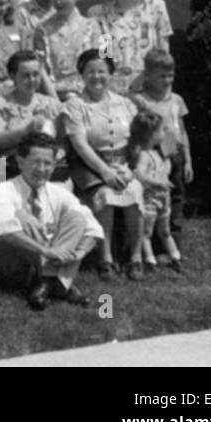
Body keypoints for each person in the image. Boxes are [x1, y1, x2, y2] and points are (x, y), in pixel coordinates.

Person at [0, 131, 102, 310]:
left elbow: (94, 228)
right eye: (35, 162)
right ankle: (63, 283)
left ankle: (47, 283)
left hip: (48, 257)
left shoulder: (58, 192)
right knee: (21, 218)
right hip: (14, 266)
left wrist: (79, 254)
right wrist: (46, 251)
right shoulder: (4, 190)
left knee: (78, 218)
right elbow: (3, 230)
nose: (42, 169)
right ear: (20, 162)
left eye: (47, 163)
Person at [61, 48, 145, 280]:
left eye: (102, 72)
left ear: (111, 74)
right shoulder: (75, 106)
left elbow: (137, 139)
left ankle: (135, 258)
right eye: (90, 72)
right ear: (81, 75)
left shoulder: (126, 103)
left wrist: (130, 168)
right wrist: (105, 171)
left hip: (124, 165)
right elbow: (80, 145)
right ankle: (105, 259)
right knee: (105, 195)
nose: (97, 77)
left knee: (135, 191)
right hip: (90, 166)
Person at [87, 0, 173, 94]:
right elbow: (104, 55)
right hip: (114, 92)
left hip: (149, 90)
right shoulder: (100, 14)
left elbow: (163, 55)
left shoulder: (156, 8)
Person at [131, 48, 193, 237]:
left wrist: (188, 160)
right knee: (156, 191)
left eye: (170, 76)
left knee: (177, 190)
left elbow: (182, 130)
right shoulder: (142, 101)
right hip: (155, 152)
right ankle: (154, 231)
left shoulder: (176, 100)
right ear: (147, 76)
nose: (167, 81)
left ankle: (173, 228)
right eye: (162, 76)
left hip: (175, 149)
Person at [0, 50, 61, 178]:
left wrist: (58, 154)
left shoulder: (51, 104)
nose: (32, 80)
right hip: (12, 168)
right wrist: (26, 130)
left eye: (36, 75)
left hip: (48, 167)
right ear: (13, 76)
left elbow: (65, 140)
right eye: (26, 76)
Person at [129, 111, 183, 273]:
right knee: (146, 232)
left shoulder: (159, 154)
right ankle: (149, 260)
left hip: (163, 200)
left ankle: (175, 257)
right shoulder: (144, 155)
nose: (165, 134)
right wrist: (157, 182)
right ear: (152, 135)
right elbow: (138, 174)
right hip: (150, 200)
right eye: (162, 131)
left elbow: (165, 168)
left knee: (165, 230)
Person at [34, 0, 94, 100]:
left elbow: (108, 61)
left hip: (89, 97)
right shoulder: (41, 30)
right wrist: (55, 103)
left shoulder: (96, 26)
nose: (58, 2)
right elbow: (41, 69)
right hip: (54, 97)